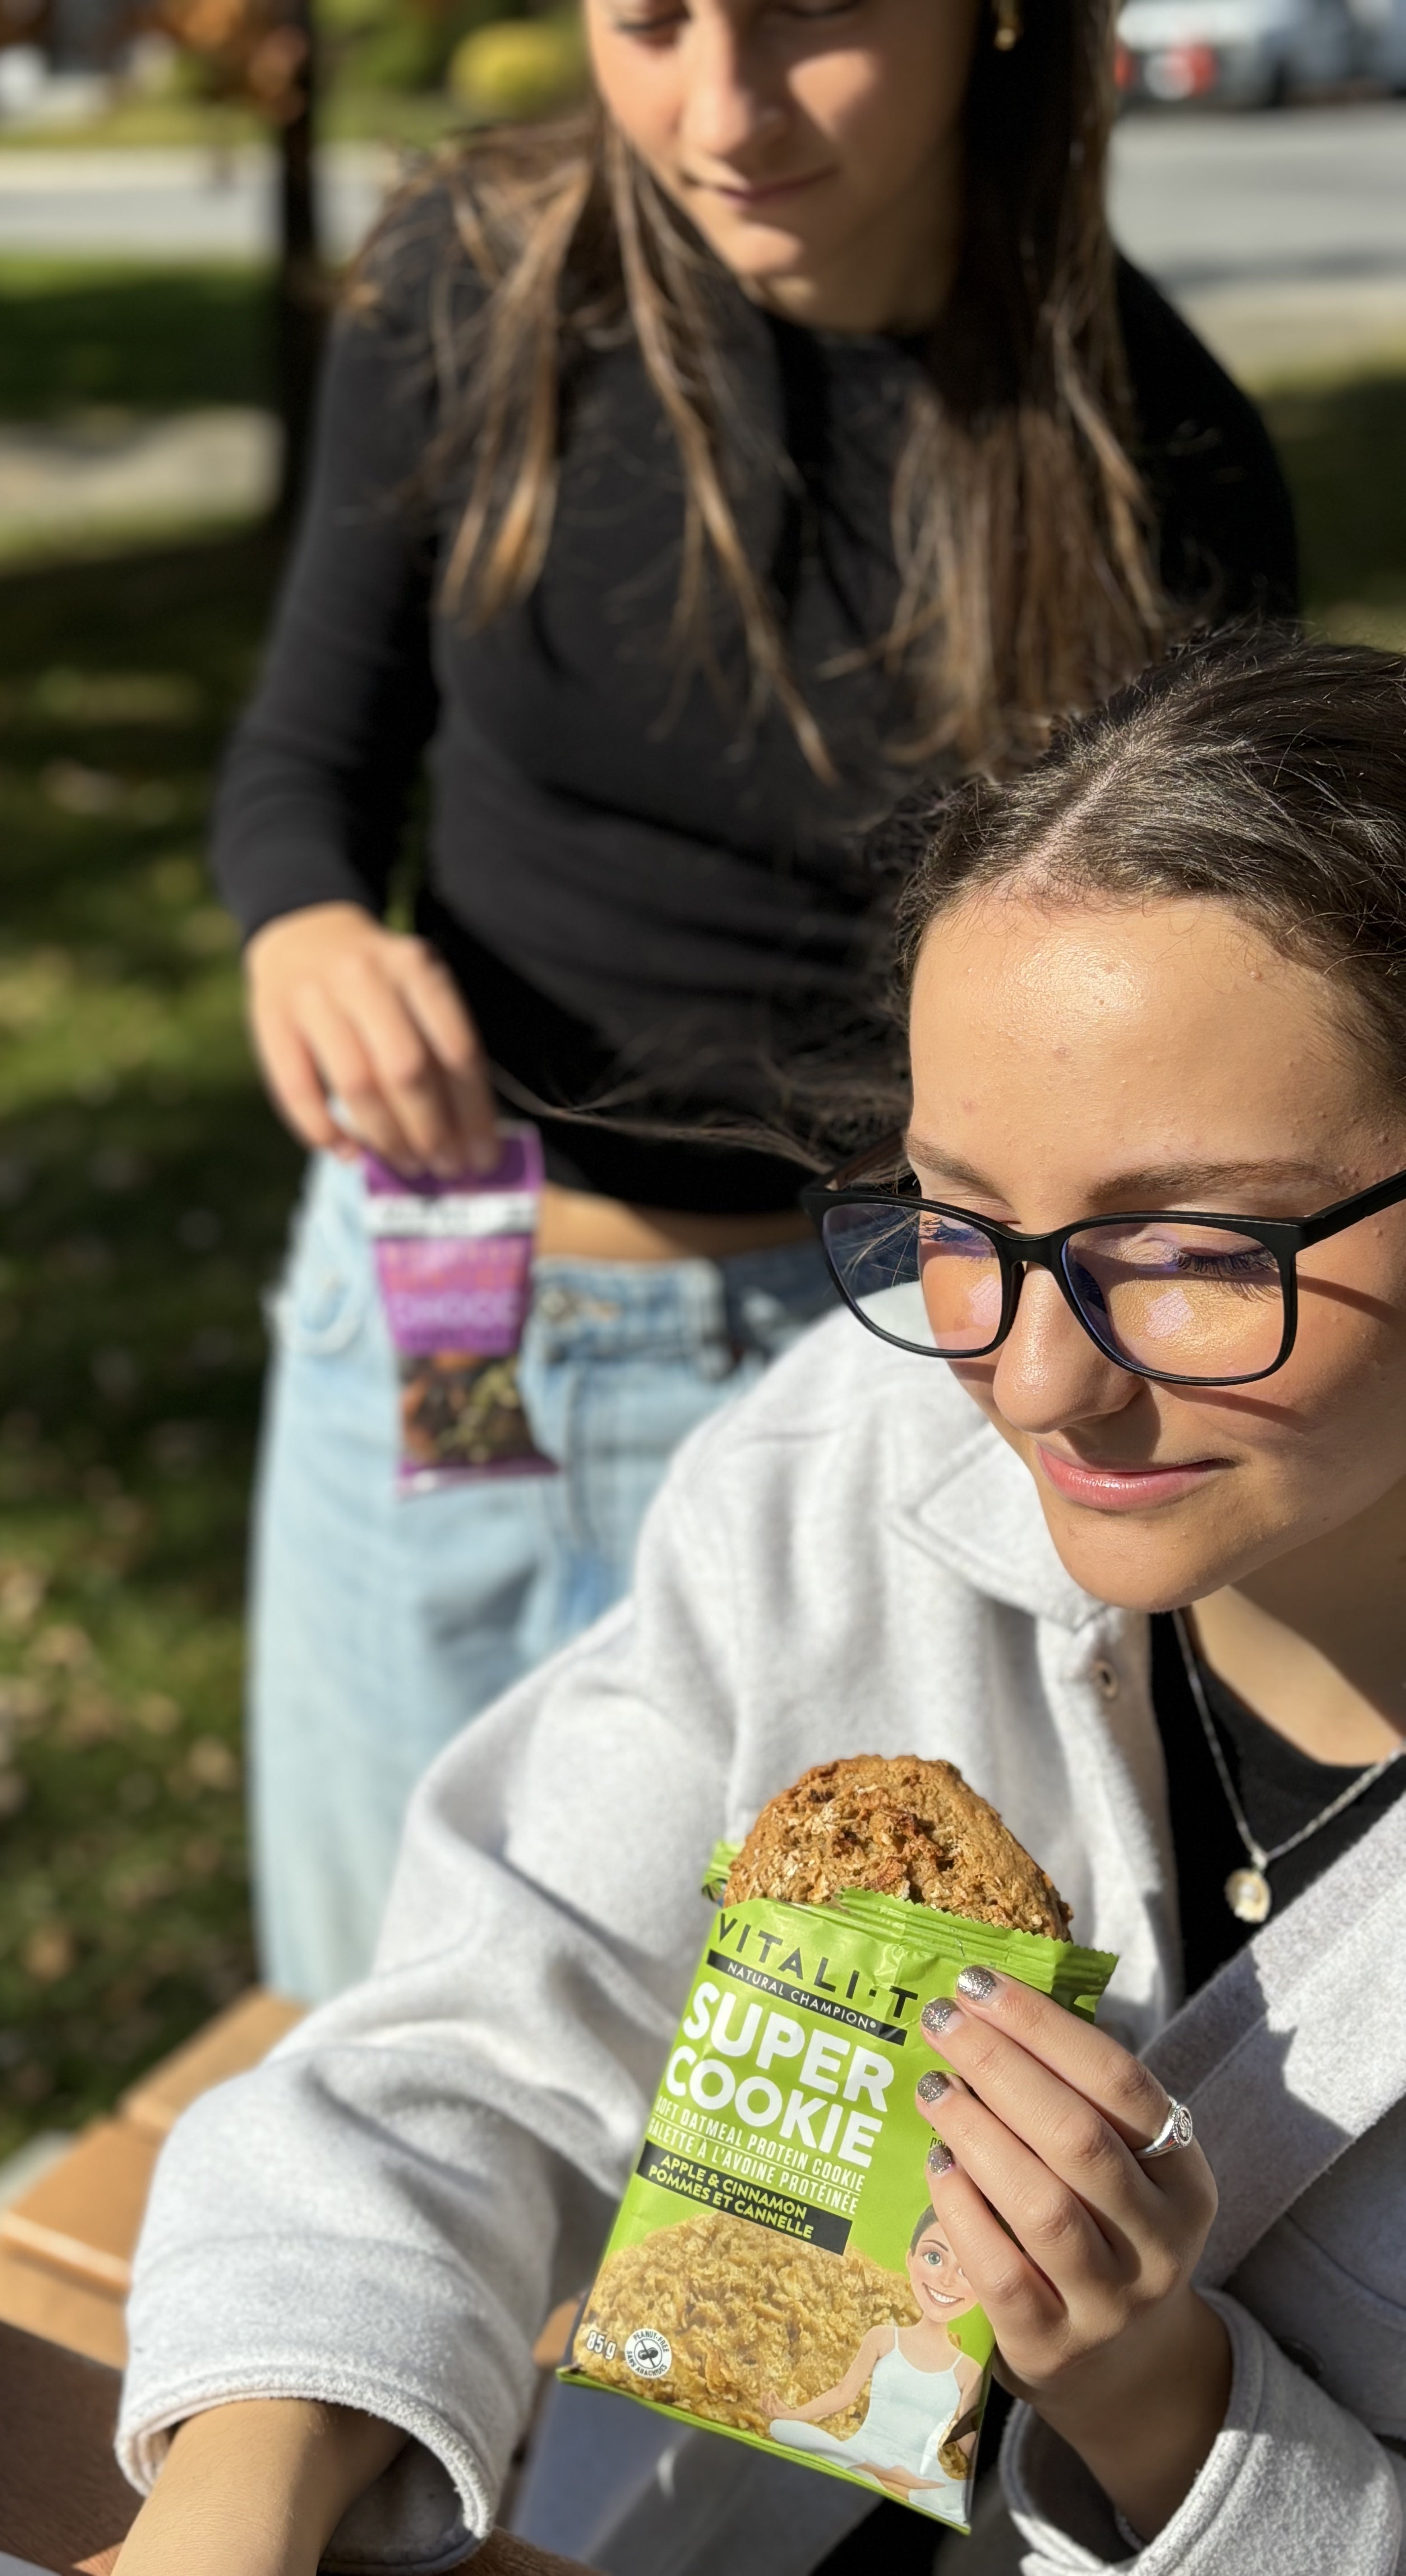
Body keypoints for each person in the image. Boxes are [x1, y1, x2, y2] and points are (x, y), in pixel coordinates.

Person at [115, 629, 1406, 2576]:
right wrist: (228, 2517)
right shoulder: (855, 1471)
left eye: (1186, 1252)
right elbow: (473, 2040)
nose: (1035, 1384)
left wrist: (1163, 2405)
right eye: (960, 1222)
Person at [218, 0, 1297, 2003]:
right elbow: (301, 766)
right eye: (642, 19)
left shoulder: (1157, 449)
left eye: (806, 17)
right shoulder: (472, 285)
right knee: (385, 2009)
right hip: (465, 1318)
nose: (717, 114)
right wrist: (303, 928)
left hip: (876, 1365)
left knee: (779, 2093)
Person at [765, 2207, 984, 2517]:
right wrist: (792, 2415)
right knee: (783, 2429)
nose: (947, 2280)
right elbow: (844, 2394)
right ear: (910, 2259)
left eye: (967, 2272)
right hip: (863, 2451)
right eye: (934, 2258)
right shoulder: (883, 2337)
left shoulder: (968, 2370)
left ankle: (888, 2484)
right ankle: (890, 2485)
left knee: (961, 2497)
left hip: (922, 2476)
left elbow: (964, 2438)